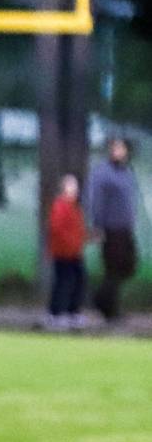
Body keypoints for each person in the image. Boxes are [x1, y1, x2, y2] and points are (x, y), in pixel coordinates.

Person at [88, 136, 140, 322]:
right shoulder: (103, 173)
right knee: (113, 268)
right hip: (110, 228)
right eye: (115, 148)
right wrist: (97, 226)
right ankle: (109, 309)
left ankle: (101, 301)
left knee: (128, 266)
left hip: (125, 228)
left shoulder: (126, 172)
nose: (118, 151)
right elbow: (96, 201)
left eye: (121, 148)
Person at [44, 174, 88, 330]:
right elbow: (57, 229)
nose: (74, 189)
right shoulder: (60, 206)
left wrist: (86, 237)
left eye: (75, 186)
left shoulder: (75, 207)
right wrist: (71, 242)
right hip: (63, 253)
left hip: (74, 252)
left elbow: (78, 230)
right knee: (62, 283)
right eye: (71, 186)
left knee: (78, 281)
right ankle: (54, 314)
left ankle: (72, 313)